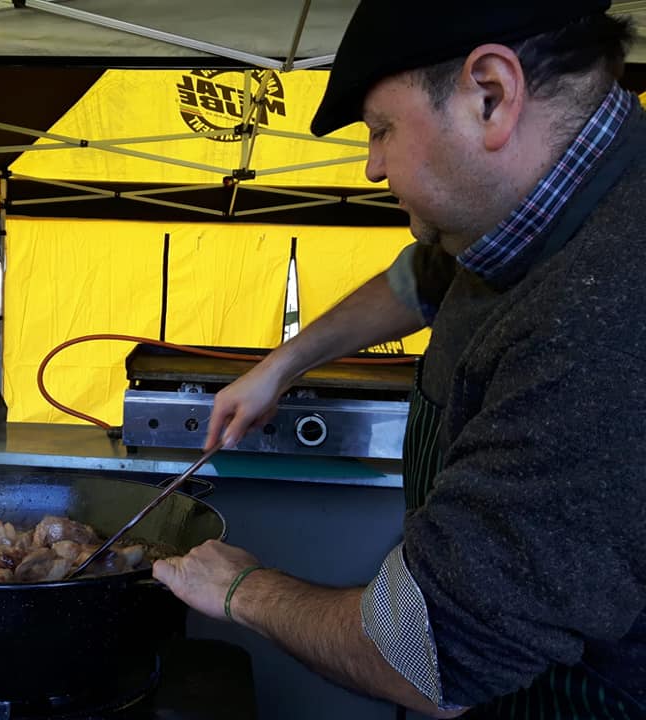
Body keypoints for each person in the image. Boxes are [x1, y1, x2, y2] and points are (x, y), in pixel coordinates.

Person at [151, 1, 646, 717]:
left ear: (491, 94)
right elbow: (419, 280)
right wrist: (283, 365)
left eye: (381, 129)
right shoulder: (537, 211)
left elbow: (431, 656)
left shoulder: (604, 315)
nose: (373, 165)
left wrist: (238, 588)